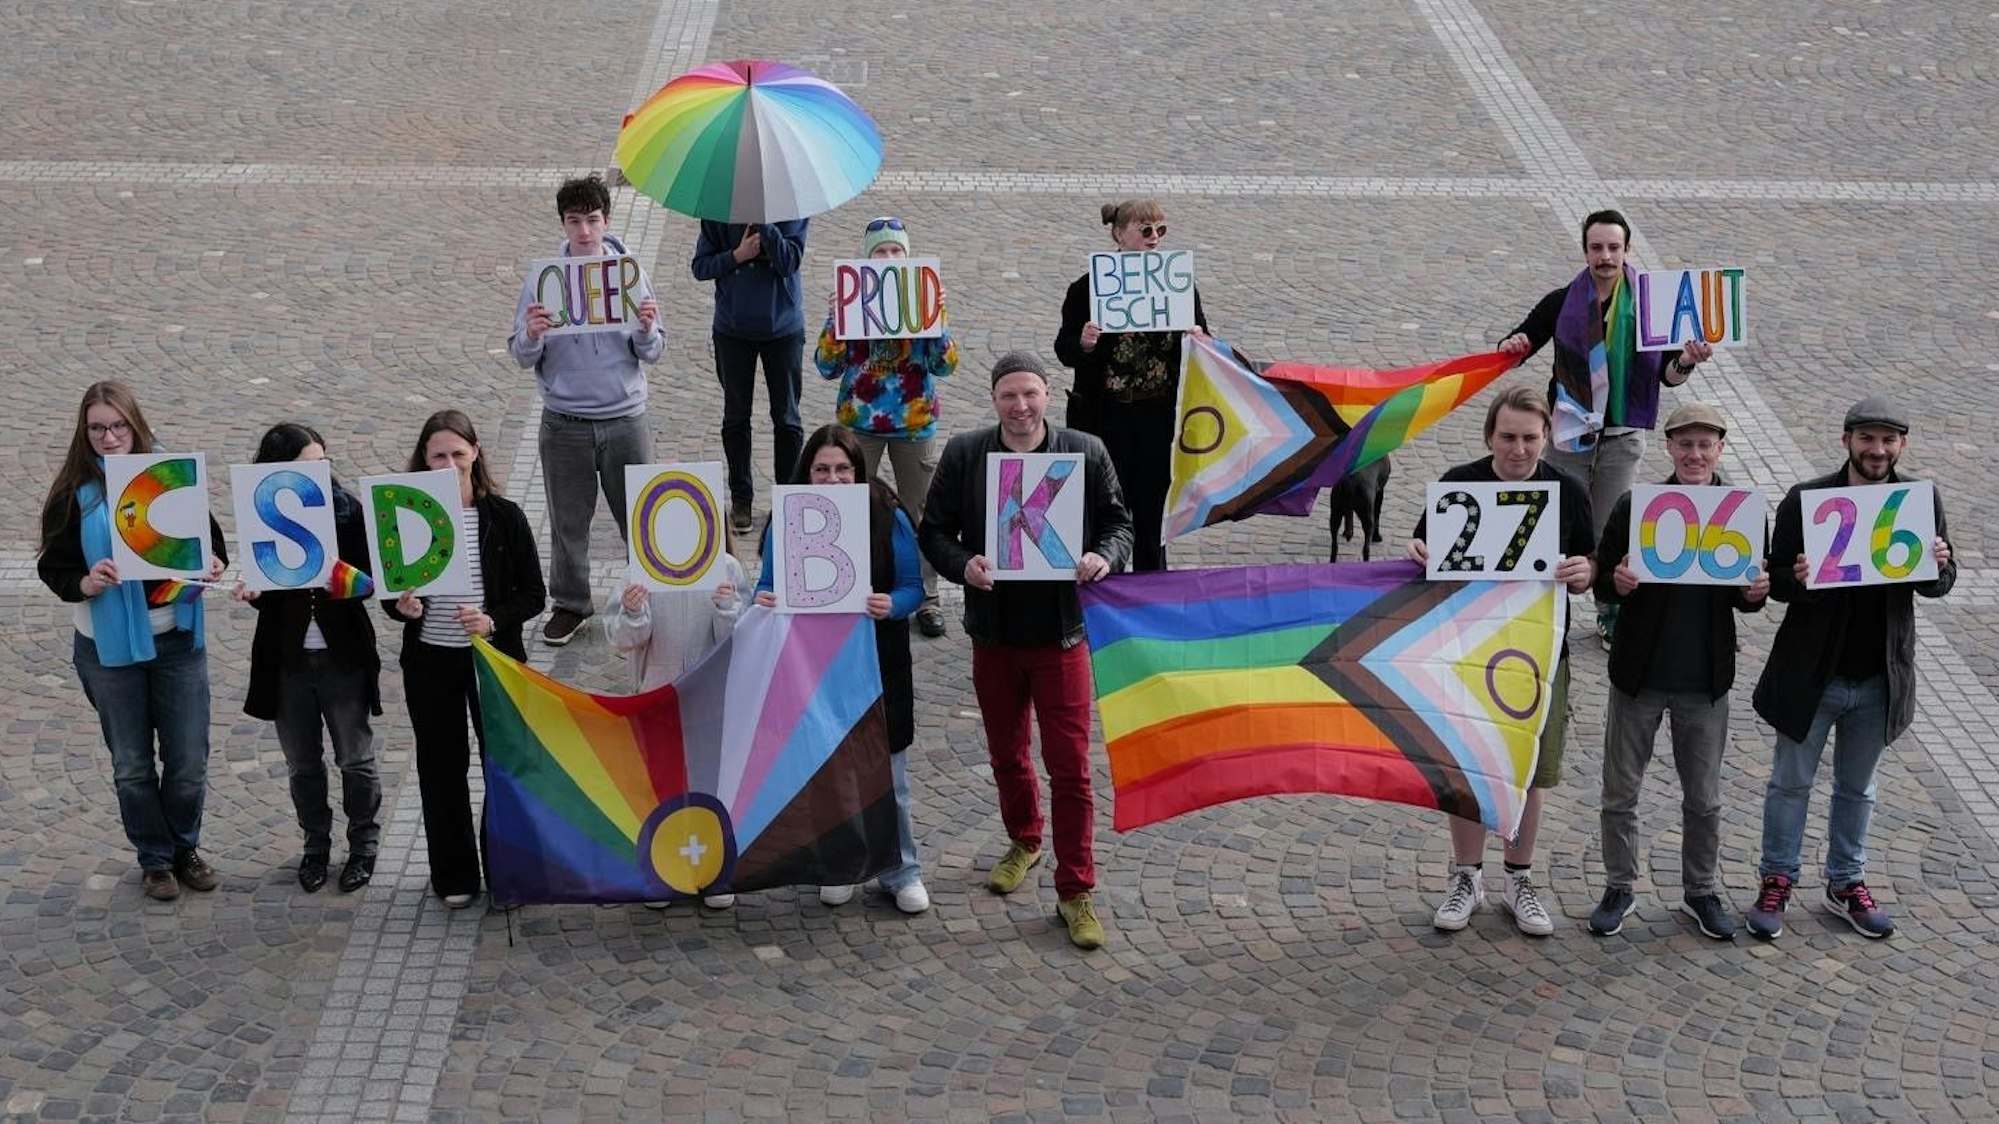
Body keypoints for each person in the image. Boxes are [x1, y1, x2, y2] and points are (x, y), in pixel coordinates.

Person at [921, 352, 1133, 949]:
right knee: (1007, 753)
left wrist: (1103, 557)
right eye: (1009, 395)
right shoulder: (967, 455)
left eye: (1031, 395)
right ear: (994, 400)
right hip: (995, 635)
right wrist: (964, 566)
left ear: (1048, 395)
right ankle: (1025, 839)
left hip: (1061, 638)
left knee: (1070, 770)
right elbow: (932, 530)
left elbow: (1120, 525)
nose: (1021, 406)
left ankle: (1077, 889)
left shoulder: (1084, 453)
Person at [1745, 395, 1955, 940]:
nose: (1877, 450)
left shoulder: (1919, 501)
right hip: (1812, 676)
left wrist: (1940, 564)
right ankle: (1777, 879)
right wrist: (1799, 578)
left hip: (1879, 677)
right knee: (1790, 783)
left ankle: (1846, 882)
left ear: (1901, 445)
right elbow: (1777, 586)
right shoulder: (1808, 499)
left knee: (1858, 789)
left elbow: (1935, 585)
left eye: (1888, 440)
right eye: (1867, 439)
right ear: (1847, 442)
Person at [1407, 386, 1595, 937]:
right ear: (1489, 435)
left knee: (1529, 770)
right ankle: (1467, 875)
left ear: (1547, 438)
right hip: (1468, 652)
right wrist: (1417, 550)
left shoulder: (1569, 491)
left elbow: (1590, 562)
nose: (1518, 449)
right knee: (1467, 766)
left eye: (1530, 438)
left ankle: (1518, 876)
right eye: (1508, 437)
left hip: (1538, 652)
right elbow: (1424, 550)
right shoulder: (1458, 485)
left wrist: (1587, 573)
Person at [37, 381, 228, 902]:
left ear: (135, 425)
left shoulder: (169, 478)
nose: (109, 436)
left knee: (188, 762)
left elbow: (211, 543)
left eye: (118, 425)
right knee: (132, 765)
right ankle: (156, 859)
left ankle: (184, 845)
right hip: (108, 649)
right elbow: (52, 567)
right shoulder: (73, 493)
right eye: (97, 427)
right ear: (85, 431)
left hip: (178, 641)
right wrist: (85, 581)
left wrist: (214, 563)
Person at [1587, 403, 1768, 940]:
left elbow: (1748, 596)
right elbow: (1602, 581)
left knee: (1705, 798)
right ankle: (1619, 885)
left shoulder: (1742, 513)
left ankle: (1701, 890)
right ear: (1669, 447)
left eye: (1704, 445)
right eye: (1684, 444)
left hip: (1705, 678)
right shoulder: (1634, 507)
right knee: (1620, 793)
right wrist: (1615, 585)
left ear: (1719, 449)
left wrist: (1754, 593)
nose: (1694, 454)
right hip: (1639, 674)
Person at [1497, 209, 1712, 650]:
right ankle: (1549, 608)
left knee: (1610, 526)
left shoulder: (1652, 306)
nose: (1605, 256)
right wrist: (1512, 344)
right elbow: (1520, 342)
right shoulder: (1562, 302)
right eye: (1597, 247)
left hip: (1621, 436)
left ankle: (1609, 610)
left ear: (1627, 250)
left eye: (1614, 247)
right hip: (1568, 434)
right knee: (1558, 524)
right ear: (1585, 251)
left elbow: (1667, 376)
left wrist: (1688, 359)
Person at [755, 425, 930, 914]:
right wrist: (762, 599)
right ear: (807, 471)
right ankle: (841, 863)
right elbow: (766, 583)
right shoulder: (787, 517)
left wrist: (891, 604)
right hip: (813, 665)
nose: (833, 480)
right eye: (823, 469)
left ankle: (903, 870)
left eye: (843, 470)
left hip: (878, 661)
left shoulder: (888, 514)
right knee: (829, 771)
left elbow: (915, 587)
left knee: (889, 771)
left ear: (858, 470)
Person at [385, 411, 546, 907]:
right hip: (432, 662)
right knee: (441, 766)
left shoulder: (504, 516)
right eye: (439, 455)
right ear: (424, 460)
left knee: (504, 765)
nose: (450, 463)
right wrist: (403, 608)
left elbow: (533, 595)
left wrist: (493, 620)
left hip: (493, 662)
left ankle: (506, 867)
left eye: (458, 453)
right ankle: (453, 875)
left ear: (475, 453)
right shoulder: (405, 518)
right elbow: (392, 596)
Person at [508, 174, 663, 646]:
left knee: (640, 517)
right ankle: (572, 603)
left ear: (606, 221)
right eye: (575, 221)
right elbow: (519, 354)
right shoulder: (544, 279)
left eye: (593, 220)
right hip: (566, 421)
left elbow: (654, 351)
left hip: (625, 419)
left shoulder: (628, 274)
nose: (585, 231)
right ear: (563, 223)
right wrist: (533, 335)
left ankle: (648, 594)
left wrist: (646, 329)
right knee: (567, 521)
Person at [238, 423, 384, 894]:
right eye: (306, 465)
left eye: (322, 462)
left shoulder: (348, 513)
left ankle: (363, 844)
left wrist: (342, 580)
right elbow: (268, 596)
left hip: (344, 657)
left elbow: (370, 580)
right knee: (303, 764)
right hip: (288, 663)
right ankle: (315, 846)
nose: (319, 473)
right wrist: (255, 591)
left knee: (355, 759)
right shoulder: (263, 515)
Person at [814, 216, 960, 638]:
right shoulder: (852, 299)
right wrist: (834, 319)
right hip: (859, 423)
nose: (890, 258)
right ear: (867, 259)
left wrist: (938, 319)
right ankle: (852, 586)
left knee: (919, 513)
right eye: (881, 252)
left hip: (914, 423)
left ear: (908, 258)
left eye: (897, 251)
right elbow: (826, 366)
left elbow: (945, 365)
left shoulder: (923, 298)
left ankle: (926, 596)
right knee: (852, 507)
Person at [1052, 199, 1209, 573]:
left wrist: (1198, 336)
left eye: (1160, 230)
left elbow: (1204, 338)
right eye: (1145, 230)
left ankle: (1151, 589)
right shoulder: (1087, 288)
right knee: (1110, 503)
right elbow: (1064, 348)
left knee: (1153, 508)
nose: (1154, 238)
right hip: (1108, 415)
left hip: (1157, 414)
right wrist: (1085, 343)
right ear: (1119, 234)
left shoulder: (1178, 284)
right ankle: (1109, 581)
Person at [604, 542, 746, 912]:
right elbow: (621, 639)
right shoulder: (640, 572)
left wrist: (726, 608)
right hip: (657, 696)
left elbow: (742, 637)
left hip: (710, 698)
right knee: (660, 784)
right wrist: (634, 612)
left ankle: (714, 870)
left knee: (709, 784)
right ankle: (660, 870)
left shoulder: (727, 568)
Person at [691, 216, 810, 537]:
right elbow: (700, 267)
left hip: (783, 327)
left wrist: (766, 227)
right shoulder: (718, 209)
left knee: (787, 419)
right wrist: (737, 256)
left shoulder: (792, 205)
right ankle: (741, 499)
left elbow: (790, 262)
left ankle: (787, 498)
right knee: (735, 417)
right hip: (732, 329)